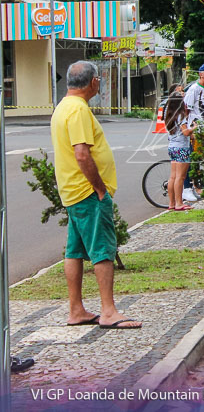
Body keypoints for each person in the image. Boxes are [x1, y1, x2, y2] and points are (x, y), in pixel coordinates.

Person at [51, 61, 141, 330]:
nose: (99, 84)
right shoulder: (78, 109)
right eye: (99, 80)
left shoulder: (63, 106)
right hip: (87, 192)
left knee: (75, 250)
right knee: (103, 250)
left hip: (73, 191)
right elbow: (81, 153)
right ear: (92, 82)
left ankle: (76, 309)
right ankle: (108, 311)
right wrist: (100, 188)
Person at [182, 63, 204, 202]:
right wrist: (188, 129)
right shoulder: (194, 89)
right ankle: (191, 187)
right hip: (195, 129)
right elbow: (186, 110)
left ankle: (203, 184)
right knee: (195, 159)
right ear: (201, 74)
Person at [163, 90, 194, 211]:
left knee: (172, 177)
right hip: (182, 147)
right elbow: (186, 132)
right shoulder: (181, 115)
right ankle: (179, 203)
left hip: (172, 146)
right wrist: (194, 128)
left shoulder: (169, 115)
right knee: (180, 177)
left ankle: (171, 203)